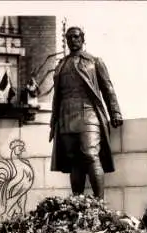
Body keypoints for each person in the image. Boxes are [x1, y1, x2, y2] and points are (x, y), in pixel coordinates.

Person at [49, 26, 123, 199]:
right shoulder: (61, 65)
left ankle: (99, 205)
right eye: (69, 38)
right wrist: (54, 122)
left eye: (76, 37)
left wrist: (115, 112)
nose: (72, 40)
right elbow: (56, 96)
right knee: (74, 161)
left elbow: (108, 88)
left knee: (90, 154)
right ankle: (78, 204)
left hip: (89, 114)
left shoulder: (94, 61)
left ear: (82, 39)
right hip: (66, 116)